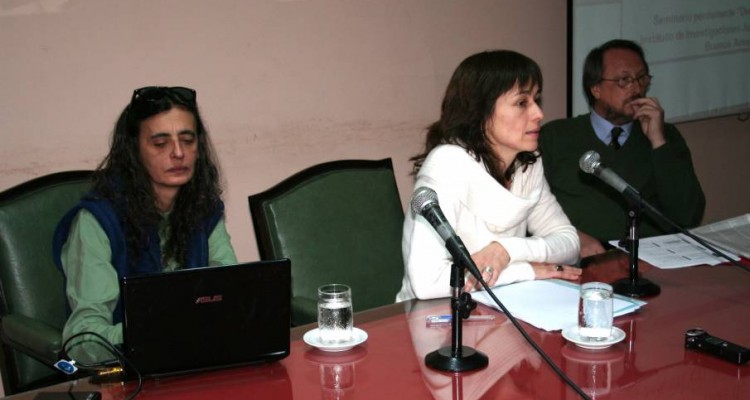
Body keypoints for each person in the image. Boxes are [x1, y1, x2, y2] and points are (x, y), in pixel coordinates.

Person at [53, 86, 238, 362]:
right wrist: (153, 333)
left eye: (187, 140)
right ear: (134, 151)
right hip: (127, 373)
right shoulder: (97, 222)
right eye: (160, 143)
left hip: (196, 361)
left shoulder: (203, 210)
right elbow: (83, 338)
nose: (178, 152)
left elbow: (232, 293)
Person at [396, 50, 581, 302]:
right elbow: (426, 283)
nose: (539, 114)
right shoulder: (447, 165)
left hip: (503, 305)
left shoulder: (526, 165)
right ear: (481, 111)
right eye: (521, 103)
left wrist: (505, 250)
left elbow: (569, 243)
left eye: (537, 100)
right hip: (433, 319)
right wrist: (526, 270)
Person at [539, 39, 705, 258]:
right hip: (584, 260)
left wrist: (658, 142)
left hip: (653, 261)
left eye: (642, 78)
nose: (637, 88)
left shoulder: (666, 136)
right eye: (624, 80)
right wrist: (571, 236)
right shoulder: (555, 137)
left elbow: (689, 216)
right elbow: (531, 208)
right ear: (595, 88)